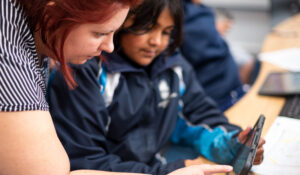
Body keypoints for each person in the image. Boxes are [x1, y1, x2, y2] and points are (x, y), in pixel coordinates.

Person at [0, 0, 234, 174]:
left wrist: (229, 140)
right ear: (53, 16)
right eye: (100, 33)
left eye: (115, 32)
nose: (110, 47)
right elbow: (51, 169)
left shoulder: (34, 34)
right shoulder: (9, 55)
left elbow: (197, 110)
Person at [181, 0, 246, 111]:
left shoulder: (201, 9)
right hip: (220, 95)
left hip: (230, 84)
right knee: (248, 62)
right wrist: (213, 31)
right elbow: (201, 50)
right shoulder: (186, 15)